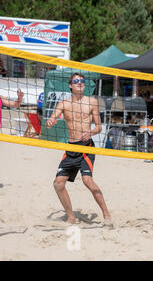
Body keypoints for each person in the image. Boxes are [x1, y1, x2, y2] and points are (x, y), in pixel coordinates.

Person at [46, 73, 112, 226]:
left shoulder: (92, 102)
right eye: (76, 81)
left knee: (87, 180)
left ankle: (106, 214)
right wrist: (51, 121)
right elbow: (52, 120)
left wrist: (90, 132)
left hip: (86, 147)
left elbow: (99, 126)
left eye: (82, 81)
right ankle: (71, 216)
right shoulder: (63, 104)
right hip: (71, 147)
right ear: (70, 85)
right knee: (58, 183)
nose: (80, 83)